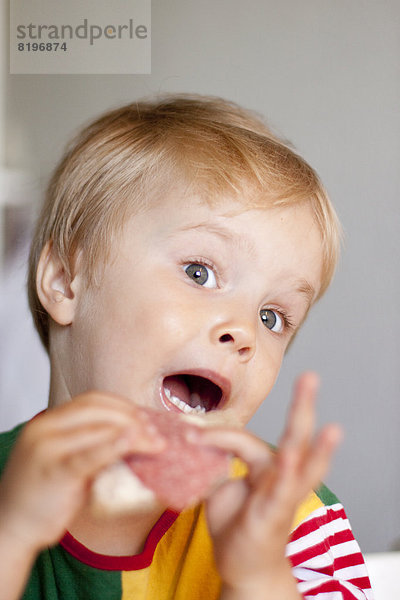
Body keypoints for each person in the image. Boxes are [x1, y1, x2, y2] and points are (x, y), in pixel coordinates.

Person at [0, 95, 373, 600]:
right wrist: (13, 536)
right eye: (199, 272)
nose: (243, 330)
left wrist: (257, 576)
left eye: (272, 317)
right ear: (67, 281)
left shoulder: (289, 519)